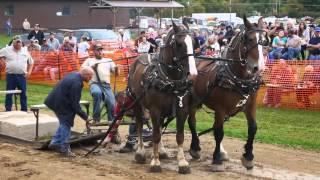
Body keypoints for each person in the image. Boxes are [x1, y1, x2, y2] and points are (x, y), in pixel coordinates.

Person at [46, 67, 93, 157]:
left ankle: (55, 142)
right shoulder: (77, 83)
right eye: (90, 76)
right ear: (85, 75)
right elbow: (75, 104)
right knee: (66, 123)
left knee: (64, 123)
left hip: (55, 101)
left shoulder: (74, 75)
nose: (91, 79)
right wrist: (86, 117)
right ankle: (64, 148)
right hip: (60, 103)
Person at [81, 44, 120, 143]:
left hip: (106, 86)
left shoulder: (109, 60)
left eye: (101, 50)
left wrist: (117, 69)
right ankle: (96, 119)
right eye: (98, 50)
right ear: (93, 51)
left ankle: (112, 126)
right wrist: (91, 67)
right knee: (96, 93)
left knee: (112, 104)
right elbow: (82, 71)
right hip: (94, 84)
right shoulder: (89, 60)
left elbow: (116, 73)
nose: (100, 52)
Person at [0, 35, 34, 111]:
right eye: (17, 42)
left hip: (22, 76)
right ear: (13, 43)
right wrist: (2, 61)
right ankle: (8, 110)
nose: (19, 44)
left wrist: (29, 73)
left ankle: (24, 110)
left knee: (23, 94)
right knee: (9, 93)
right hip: (11, 76)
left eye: (20, 42)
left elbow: (31, 63)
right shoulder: (7, 50)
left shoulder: (25, 51)